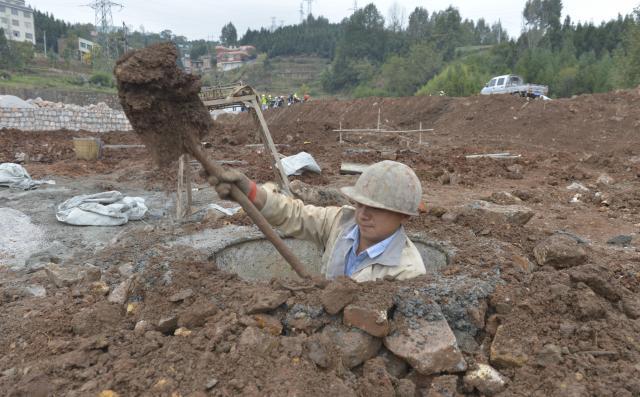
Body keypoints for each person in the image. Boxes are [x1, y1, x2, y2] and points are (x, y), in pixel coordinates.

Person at [210, 160, 426, 282]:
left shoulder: (407, 271)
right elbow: (295, 214)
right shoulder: (341, 222)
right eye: (360, 204)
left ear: (404, 215)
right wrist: (252, 192)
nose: (363, 215)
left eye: (377, 209)